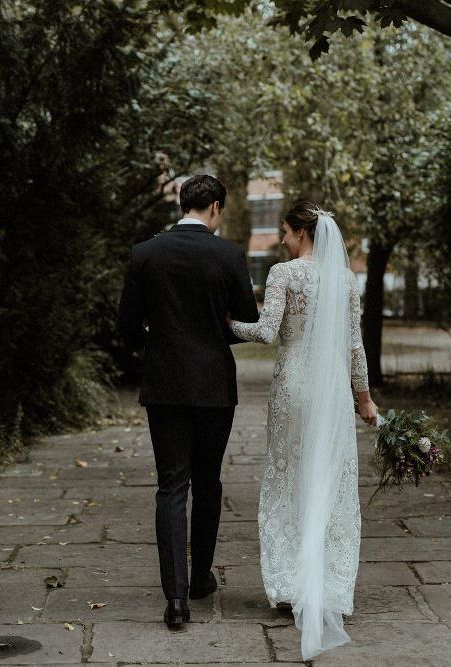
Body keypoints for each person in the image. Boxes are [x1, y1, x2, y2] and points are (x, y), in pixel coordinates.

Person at [229, 201, 378, 660]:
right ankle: (330, 586)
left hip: (294, 385)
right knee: (330, 479)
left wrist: (227, 324)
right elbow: (355, 345)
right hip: (332, 389)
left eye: (286, 232)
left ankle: (293, 582)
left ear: (301, 232)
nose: (282, 239)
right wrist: (364, 398)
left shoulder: (284, 274)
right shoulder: (345, 279)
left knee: (289, 476)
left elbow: (269, 332)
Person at [117, 174, 258, 630]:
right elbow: (247, 319)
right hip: (214, 385)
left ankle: (175, 599)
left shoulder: (146, 253)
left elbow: (126, 326)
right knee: (208, 481)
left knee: (171, 486)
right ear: (215, 207)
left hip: (165, 385)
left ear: (184, 205)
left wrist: (158, 342)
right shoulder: (229, 254)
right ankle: (200, 579)